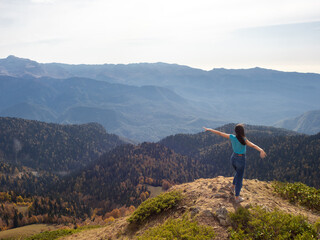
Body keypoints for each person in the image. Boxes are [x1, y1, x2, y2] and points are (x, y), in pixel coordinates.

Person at [203, 124, 267, 203]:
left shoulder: (232, 137)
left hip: (233, 158)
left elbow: (219, 133)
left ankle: (233, 186)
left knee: (238, 172)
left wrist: (209, 129)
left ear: (236, 131)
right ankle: (237, 198)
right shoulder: (244, 140)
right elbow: (253, 145)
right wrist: (261, 150)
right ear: (242, 131)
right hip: (241, 159)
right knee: (239, 178)